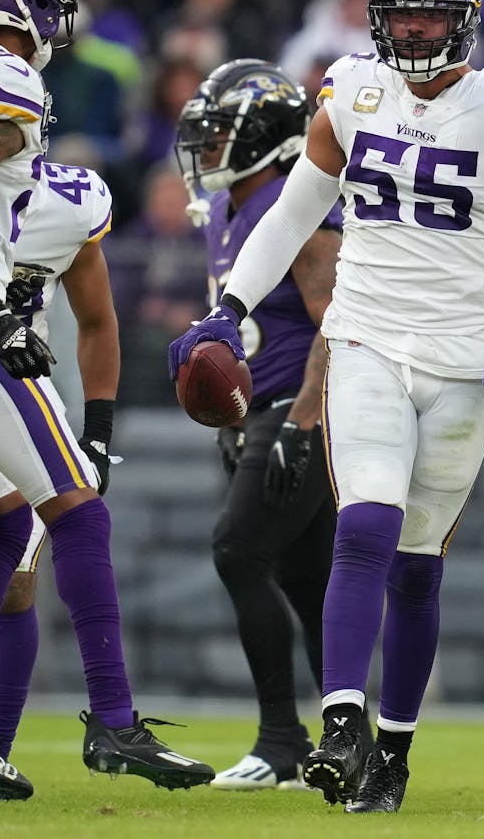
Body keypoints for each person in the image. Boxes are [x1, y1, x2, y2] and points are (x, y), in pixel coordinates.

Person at [167, 0, 484, 814]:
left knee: (419, 564)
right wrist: (230, 309)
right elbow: (291, 214)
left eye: (434, 14)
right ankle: (343, 720)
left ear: (466, 20)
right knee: (364, 526)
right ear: (380, 20)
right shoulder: (351, 90)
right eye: (404, 15)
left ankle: (392, 751)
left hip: (467, 354)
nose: (419, 31)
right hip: (365, 337)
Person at [0, 0, 211, 799]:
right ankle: (115, 724)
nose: (55, 10)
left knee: (7, 519)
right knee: (78, 513)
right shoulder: (4, 76)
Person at [173, 58, 346, 790]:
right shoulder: (228, 207)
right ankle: (351, 742)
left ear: (267, 138)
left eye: (220, 137)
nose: (207, 152)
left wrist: (304, 425)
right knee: (306, 580)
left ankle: (282, 738)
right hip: (261, 414)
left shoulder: (290, 203)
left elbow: (339, 323)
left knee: (236, 550)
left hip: (297, 410)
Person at [0, 159, 120, 765]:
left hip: (11, 391)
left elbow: (97, 320)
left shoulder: (71, 201)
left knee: (17, 580)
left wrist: (100, 432)